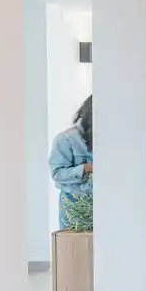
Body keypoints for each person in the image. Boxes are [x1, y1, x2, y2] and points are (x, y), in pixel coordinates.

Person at [50, 96, 93, 229]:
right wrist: (86, 168)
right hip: (74, 207)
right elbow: (57, 174)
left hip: (105, 205)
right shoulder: (65, 139)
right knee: (74, 248)